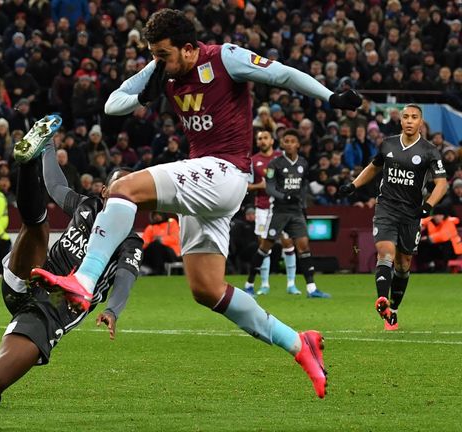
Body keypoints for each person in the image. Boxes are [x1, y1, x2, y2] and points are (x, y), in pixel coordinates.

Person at [31, 9, 363, 398]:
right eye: (154, 55)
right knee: (207, 289)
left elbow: (283, 74)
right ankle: (298, 343)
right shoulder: (161, 70)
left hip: (224, 171)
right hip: (202, 185)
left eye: (163, 55)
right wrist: (145, 88)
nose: (158, 62)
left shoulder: (225, 58)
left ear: (189, 49)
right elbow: (112, 105)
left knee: (123, 188)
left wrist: (329, 96)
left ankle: (83, 280)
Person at [0, 115, 142, 429]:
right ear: (104, 190)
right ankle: (25, 161)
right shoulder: (86, 206)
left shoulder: (131, 240)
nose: (126, 193)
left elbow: (125, 276)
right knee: (37, 225)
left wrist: (113, 309)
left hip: (54, 308)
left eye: (132, 191)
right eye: (120, 187)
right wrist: (47, 146)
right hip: (32, 276)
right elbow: (55, 186)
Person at [340, 103, 448, 330]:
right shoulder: (388, 144)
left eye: (414, 117)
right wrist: (353, 185)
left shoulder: (429, 151)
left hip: (411, 213)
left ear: (421, 122)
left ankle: (394, 309)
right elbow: (374, 166)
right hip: (386, 208)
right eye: (406, 117)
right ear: (400, 120)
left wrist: (428, 205)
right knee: (385, 252)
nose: (409, 121)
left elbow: (441, 184)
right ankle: (382, 299)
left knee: (403, 263)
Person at [244, 129, 331, 299]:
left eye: (292, 141)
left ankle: (311, 288)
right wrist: (284, 196)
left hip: (296, 212)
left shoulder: (303, 163)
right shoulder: (275, 164)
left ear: (298, 144)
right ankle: (249, 284)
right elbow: (269, 187)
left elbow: (304, 185)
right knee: (265, 247)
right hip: (278, 211)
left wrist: (303, 201)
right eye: (286, 141)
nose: (289, 144)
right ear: (282, 144)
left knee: (304, 246)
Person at [246, 129, 300, 296]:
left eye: (265, 138)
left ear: (272, 141)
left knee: (288, 243)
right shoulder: (252, 161)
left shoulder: (281, 158)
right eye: (259, 139)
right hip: (262, 208)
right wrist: (259, 187)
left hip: (281, 208)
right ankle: (264, 284)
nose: (262, 141)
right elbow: (246, 186)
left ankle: (291, 284)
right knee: (264, 246)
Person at [140, 211, 181, 275]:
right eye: (155, 215)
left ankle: (157, 270)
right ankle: (149, 269)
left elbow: (175, 239)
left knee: (156, 246)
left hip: (171, 252)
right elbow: (144, 242)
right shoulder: (151, 227)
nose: (157, 216)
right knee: (149, 248)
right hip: (155, 251)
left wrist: (161, 240)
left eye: (159, 214)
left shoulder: (171, 223)